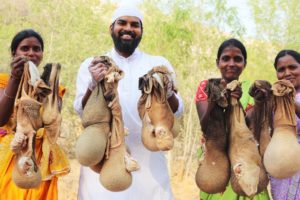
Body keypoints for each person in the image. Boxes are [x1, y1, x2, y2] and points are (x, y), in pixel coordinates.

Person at [73, 5, 184, 200]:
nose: (128, 28)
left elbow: (176, 112)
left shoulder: (158, 64)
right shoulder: (93, 64)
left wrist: (168, 92)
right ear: (111, 28)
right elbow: (82, 111)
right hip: (104, 161)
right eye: (122, 23)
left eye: (135, 24)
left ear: (141, 31)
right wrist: (93, 84)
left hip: (149, 163)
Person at [195, 38, 270, 200]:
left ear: (244, 63)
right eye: (226, 58)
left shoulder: (252, 91)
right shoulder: (208, 86)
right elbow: (205, 125)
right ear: (218, 62)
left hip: (245, 162)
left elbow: (247, 130)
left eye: (237, 59)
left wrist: (236, 103)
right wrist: (217, 98)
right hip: (215, 163)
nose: (231, 63)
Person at [0, 29, 70, 200]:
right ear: (14, 53)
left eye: (36, 49)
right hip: (12, 152)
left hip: (41, 158)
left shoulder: (52, 88)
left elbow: (51, 122)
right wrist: (15, 79)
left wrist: (45, 89)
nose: (31, 53)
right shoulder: (3, 81)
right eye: (25, 48)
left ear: (42, 54)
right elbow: (1, 119)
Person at [270, 49, 300, 200]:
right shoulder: (275, 100)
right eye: (281, 69)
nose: (287, 73)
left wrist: (291, 101)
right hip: (281, 174)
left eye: (293, 67)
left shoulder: (288, 100)